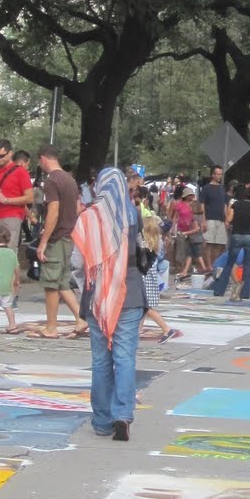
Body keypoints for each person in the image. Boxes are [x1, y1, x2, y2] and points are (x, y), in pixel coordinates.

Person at [73, 167, 147, 441]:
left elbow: (77, 264)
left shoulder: (89, 217)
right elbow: (142, 253)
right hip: (129, 293)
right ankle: (123, 415)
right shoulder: (132, 214)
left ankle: (102, 420)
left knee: (101, 360)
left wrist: (87, 289)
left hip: (97, 297)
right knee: (125, 357)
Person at [31, 146, 86, 338]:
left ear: (44, 159)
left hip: (56, 237)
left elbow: (53, 212)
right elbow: (78, 207)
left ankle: (51, 327)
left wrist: (44, 240)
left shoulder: (51, 181)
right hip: (68, 235)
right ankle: (80, 319)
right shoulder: (69, 180)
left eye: (40, 162)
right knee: (63, 281)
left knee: (51, 283)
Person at [0, 140, 34, 270]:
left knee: (8, 253)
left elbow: (29, 197)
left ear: (10, 153)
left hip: (11, 216)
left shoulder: (21, 172)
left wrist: (7, 200)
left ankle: (9, 288)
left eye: (1, 156)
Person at [213, 183, 250, 302]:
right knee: (246, 265)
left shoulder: (236, 204)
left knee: (230, 263)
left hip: (236, 235)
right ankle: (244, 293)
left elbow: (229, 219)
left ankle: (219, 290)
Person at [137, 214, 181, 341]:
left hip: (145, 278)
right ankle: (137, 331)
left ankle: (166, 329)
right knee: (143, 308)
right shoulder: (156, 242)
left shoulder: (146, 245)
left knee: (145, 307)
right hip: (150, 279)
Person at [200, 165, 228, 272]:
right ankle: (209, 265)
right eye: (218, 174)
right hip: (210, 218)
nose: (219, 176)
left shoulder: (222, 188)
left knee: (220, 243)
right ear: (213, 175)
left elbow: (224, 204)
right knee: (209, 243)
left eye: (221, 174)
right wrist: (203, 220)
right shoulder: (206, 188)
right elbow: (202, 205)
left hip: (220, 219)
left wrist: (226, 219)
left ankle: (215, 263)